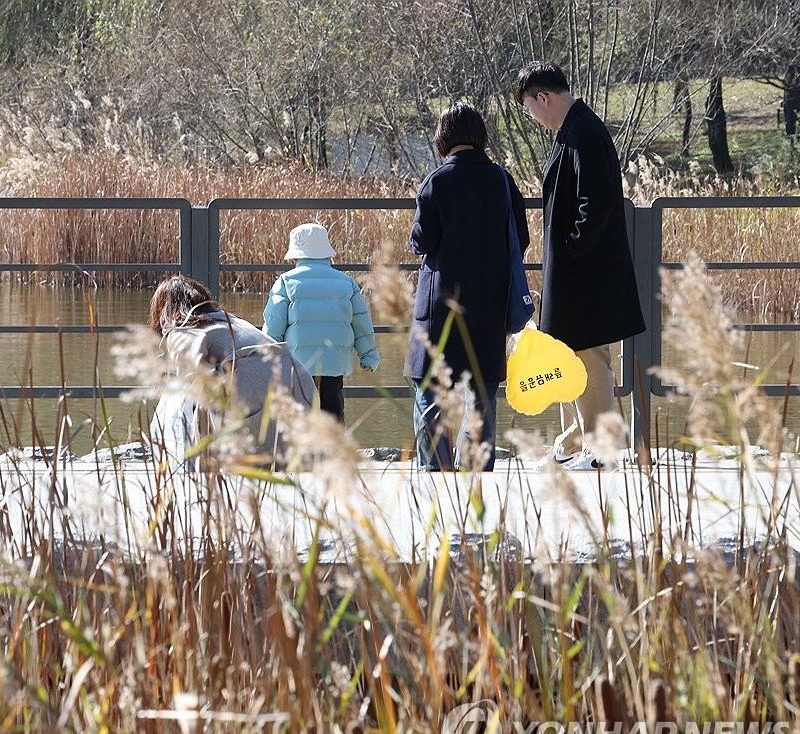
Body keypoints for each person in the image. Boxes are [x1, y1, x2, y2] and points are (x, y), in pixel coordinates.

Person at [515, 61, 646, 470]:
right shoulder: (576, 130)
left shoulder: (584, 133)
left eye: (530, 109)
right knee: (569, 355)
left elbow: (598, 202)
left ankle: (601, 450)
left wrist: (571, 250)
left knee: (588, 356)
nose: (533, 119)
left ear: (544, 98)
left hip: (586, 271)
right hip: (579, 270)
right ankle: (575, 440)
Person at [406, 103, 530, 472]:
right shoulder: (503, 180)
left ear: (443, 138)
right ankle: (475, 472)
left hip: (440, 305)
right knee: (482, 392)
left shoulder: (437, 181)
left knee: (430, 387)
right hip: (490, 303)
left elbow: (422, 240)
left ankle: (436, 470)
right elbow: (519, 239)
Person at [149, 275, 314, 463]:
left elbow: (192, 385)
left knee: (174, 397)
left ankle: (185, 472)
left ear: (162, 314)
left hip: (256, 397)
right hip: (301, 389)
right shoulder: (234, 321)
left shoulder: (184, 331)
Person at [262, 222, 379, 422]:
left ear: (296, 256)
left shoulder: (285, 282)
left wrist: (266, 359)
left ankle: (302, 452)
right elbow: (361, 324)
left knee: (299, 417)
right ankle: (333, 451)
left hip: (298, 366)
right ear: (327, 254)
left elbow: (274, 326)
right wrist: (368, 356)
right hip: (334, 363)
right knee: (332, 414)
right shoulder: (346, 282)